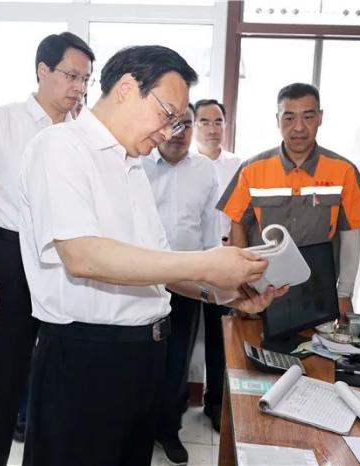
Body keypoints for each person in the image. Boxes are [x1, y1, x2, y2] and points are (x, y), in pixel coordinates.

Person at [17, 45, 286, 466]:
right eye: (168, 114)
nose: (169, 132)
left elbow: (156, 266)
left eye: (178, 121)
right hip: (87, 359)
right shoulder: (60, 147)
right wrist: (206, 262)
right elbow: (82, 255)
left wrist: (224, 294)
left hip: (142, 357)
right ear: (127, 88)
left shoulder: (131, 165)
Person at [0, 32, 94, 466]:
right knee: (1, 379)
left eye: (85, 79)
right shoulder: (1, 122)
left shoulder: (83, 133)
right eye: (71, 75)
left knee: (59, 379)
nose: (79, 87)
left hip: (67, 262)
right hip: (11, 258)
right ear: (42, 70)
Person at [218, 83, 360, 319]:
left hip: (319, 292)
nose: (299, 127)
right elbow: (237, 225)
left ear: (320, 117)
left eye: (308, 117)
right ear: (277, 120)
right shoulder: (251, 170)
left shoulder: (343, 171)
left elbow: (351, 236)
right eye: (289, 118)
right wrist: (245, 284)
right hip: (264, 290)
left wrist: (344, 294)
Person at [142, 104, 218, 465]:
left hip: (187, 282)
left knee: (177, 360)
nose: (179, 133)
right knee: (142, 359)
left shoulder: (204, 170)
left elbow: (210, 231)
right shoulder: (138, 165)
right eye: (173, 125)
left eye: (186, 125)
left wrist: (209, 278)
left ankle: (168, 430)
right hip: (142, 281)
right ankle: (139, 430)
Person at [192, 98, 241, 431]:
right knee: (180, 338)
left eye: (218, 121)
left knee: (219, 337)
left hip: (223, 262)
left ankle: (216, 405)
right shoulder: (185, 163)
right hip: (187, 261)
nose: (212, 129)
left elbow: (243, 216)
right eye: (205, 122)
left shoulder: (238, 165)